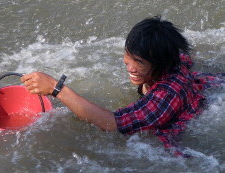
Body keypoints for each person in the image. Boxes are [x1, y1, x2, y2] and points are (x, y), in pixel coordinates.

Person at [21, 16, 225, 157]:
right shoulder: (175, 59)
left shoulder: (167, 95)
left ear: (161, 64)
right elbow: (186, 54)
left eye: (140, 63)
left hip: (180, 133)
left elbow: (113, 125)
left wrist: (57, 89)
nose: (130, 67)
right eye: (128, 56)